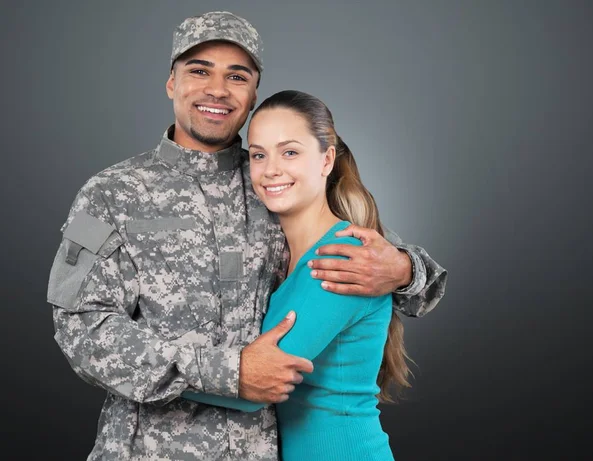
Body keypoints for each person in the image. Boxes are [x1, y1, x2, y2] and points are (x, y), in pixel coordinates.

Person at [46, 11, 447, 461]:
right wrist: (228, 372)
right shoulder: (109, 194)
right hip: (147, 450)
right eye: (199, 71)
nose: (217, 89)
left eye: (236, 76)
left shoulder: (275, 180)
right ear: (171, 83)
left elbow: (383, 263)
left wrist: (405, 268)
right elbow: (80, 328)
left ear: (253, 93)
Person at [182, 89, 418, 460]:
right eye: (259, 154)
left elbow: (258, 384)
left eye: (289, 152)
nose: (271, 169)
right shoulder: (285, 253)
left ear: (326, 160)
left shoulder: (342, 257)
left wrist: (139, 371)